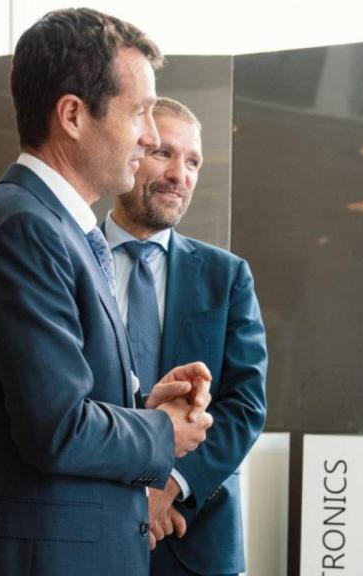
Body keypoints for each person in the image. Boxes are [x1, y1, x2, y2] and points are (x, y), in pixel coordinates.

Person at [0, 9, 214, 576]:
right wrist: (163, 431)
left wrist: (140, 408)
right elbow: (56, 429)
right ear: (73, 115)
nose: (150, 135)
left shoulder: (53, 228)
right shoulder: (24, 229)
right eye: (140, 112)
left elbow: (45, 406)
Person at [103, 97, 268, 576]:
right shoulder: (71, 259)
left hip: (195, 535)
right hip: (92, 527)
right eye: (164, 154)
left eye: (193, 161)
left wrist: (169, 487)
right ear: (129, 154)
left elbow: (245, 404)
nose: (180, 174)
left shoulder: (226, 275)